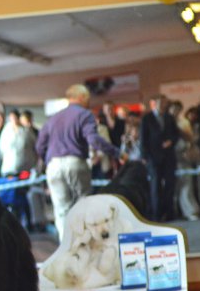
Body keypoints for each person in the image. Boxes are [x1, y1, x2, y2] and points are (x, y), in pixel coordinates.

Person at [35, 84, 121, 240]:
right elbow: (93, 140)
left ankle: (65, 246)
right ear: (81, 97)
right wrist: (116, 153)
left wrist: (48, 161)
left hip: (53, 165)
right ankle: (84, 243)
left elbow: (40, 145)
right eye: (88, 98)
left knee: (61, 210)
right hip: (76, 162)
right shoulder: (84, 115)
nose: (89, 101)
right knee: (83, 205)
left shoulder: (53, 118)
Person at [140, 94, 179, 222]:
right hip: (153, 157)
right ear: (154, 104)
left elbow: (176, 134)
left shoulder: (169, 117)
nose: (164, 106)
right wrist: (145, 156)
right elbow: (143, 139)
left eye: (165, 103)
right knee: (155, 187)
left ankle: (169, 213)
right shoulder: (147, 118)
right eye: (161, 103)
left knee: (170, 186)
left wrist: (171, 141)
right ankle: (156, 215)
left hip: (168, 157)